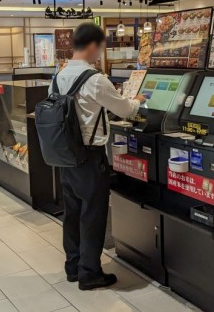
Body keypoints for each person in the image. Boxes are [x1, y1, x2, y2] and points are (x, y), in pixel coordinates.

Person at [51, 22, 146, 290]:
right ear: (92, 46)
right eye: (100, 47)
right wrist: (138, 99)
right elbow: (125, 110)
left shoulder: (59, 76)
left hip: (65, 155)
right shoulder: (95, 80)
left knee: (72, 213)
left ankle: (73, 266)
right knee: (92, 214)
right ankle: (90, 273)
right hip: (90, 157)